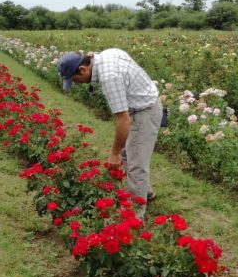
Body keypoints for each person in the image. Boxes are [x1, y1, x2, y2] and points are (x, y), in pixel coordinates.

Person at [58, 49, 162, 219]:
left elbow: (123, 120)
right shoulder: (104, 56)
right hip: (140, 103)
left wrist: (114, 153)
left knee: (136, 163)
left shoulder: (109, 78)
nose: (76, 83)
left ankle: (134, 217)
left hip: (145, 110)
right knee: (129, 154)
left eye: (75, 79)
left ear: (83, 69)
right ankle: (146, 193)